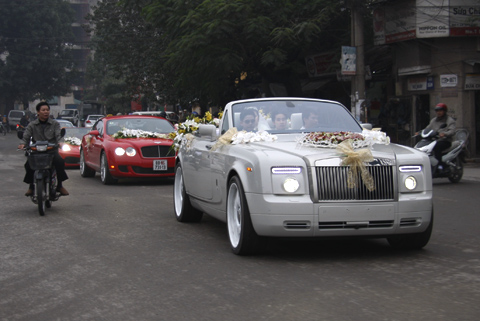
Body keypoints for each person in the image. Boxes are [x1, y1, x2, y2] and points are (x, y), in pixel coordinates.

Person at [17, 102, 69, 196]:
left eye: (47, 110)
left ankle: (60, 185)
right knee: (28, 165)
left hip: (51, 151)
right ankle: (31, 187)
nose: (46, 112)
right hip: (36, 152)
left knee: (60, 162)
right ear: (38, 112)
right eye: (43, 110)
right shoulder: (32, 125)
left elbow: (58, 135)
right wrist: (22, 144)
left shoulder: (54, 124)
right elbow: (26, 137)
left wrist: (60, 142)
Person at [419, 103, 456, 170]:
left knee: (437, 147)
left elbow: (452, 131)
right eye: (437, 111)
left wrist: (444, 134)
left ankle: (440, 165)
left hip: (445, 140)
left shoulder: (450, 121)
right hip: (434, 140)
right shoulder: (433, 120)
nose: (438, 112)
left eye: (440, 111)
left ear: (444, 111)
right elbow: (428, 128)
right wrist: (420, 132)